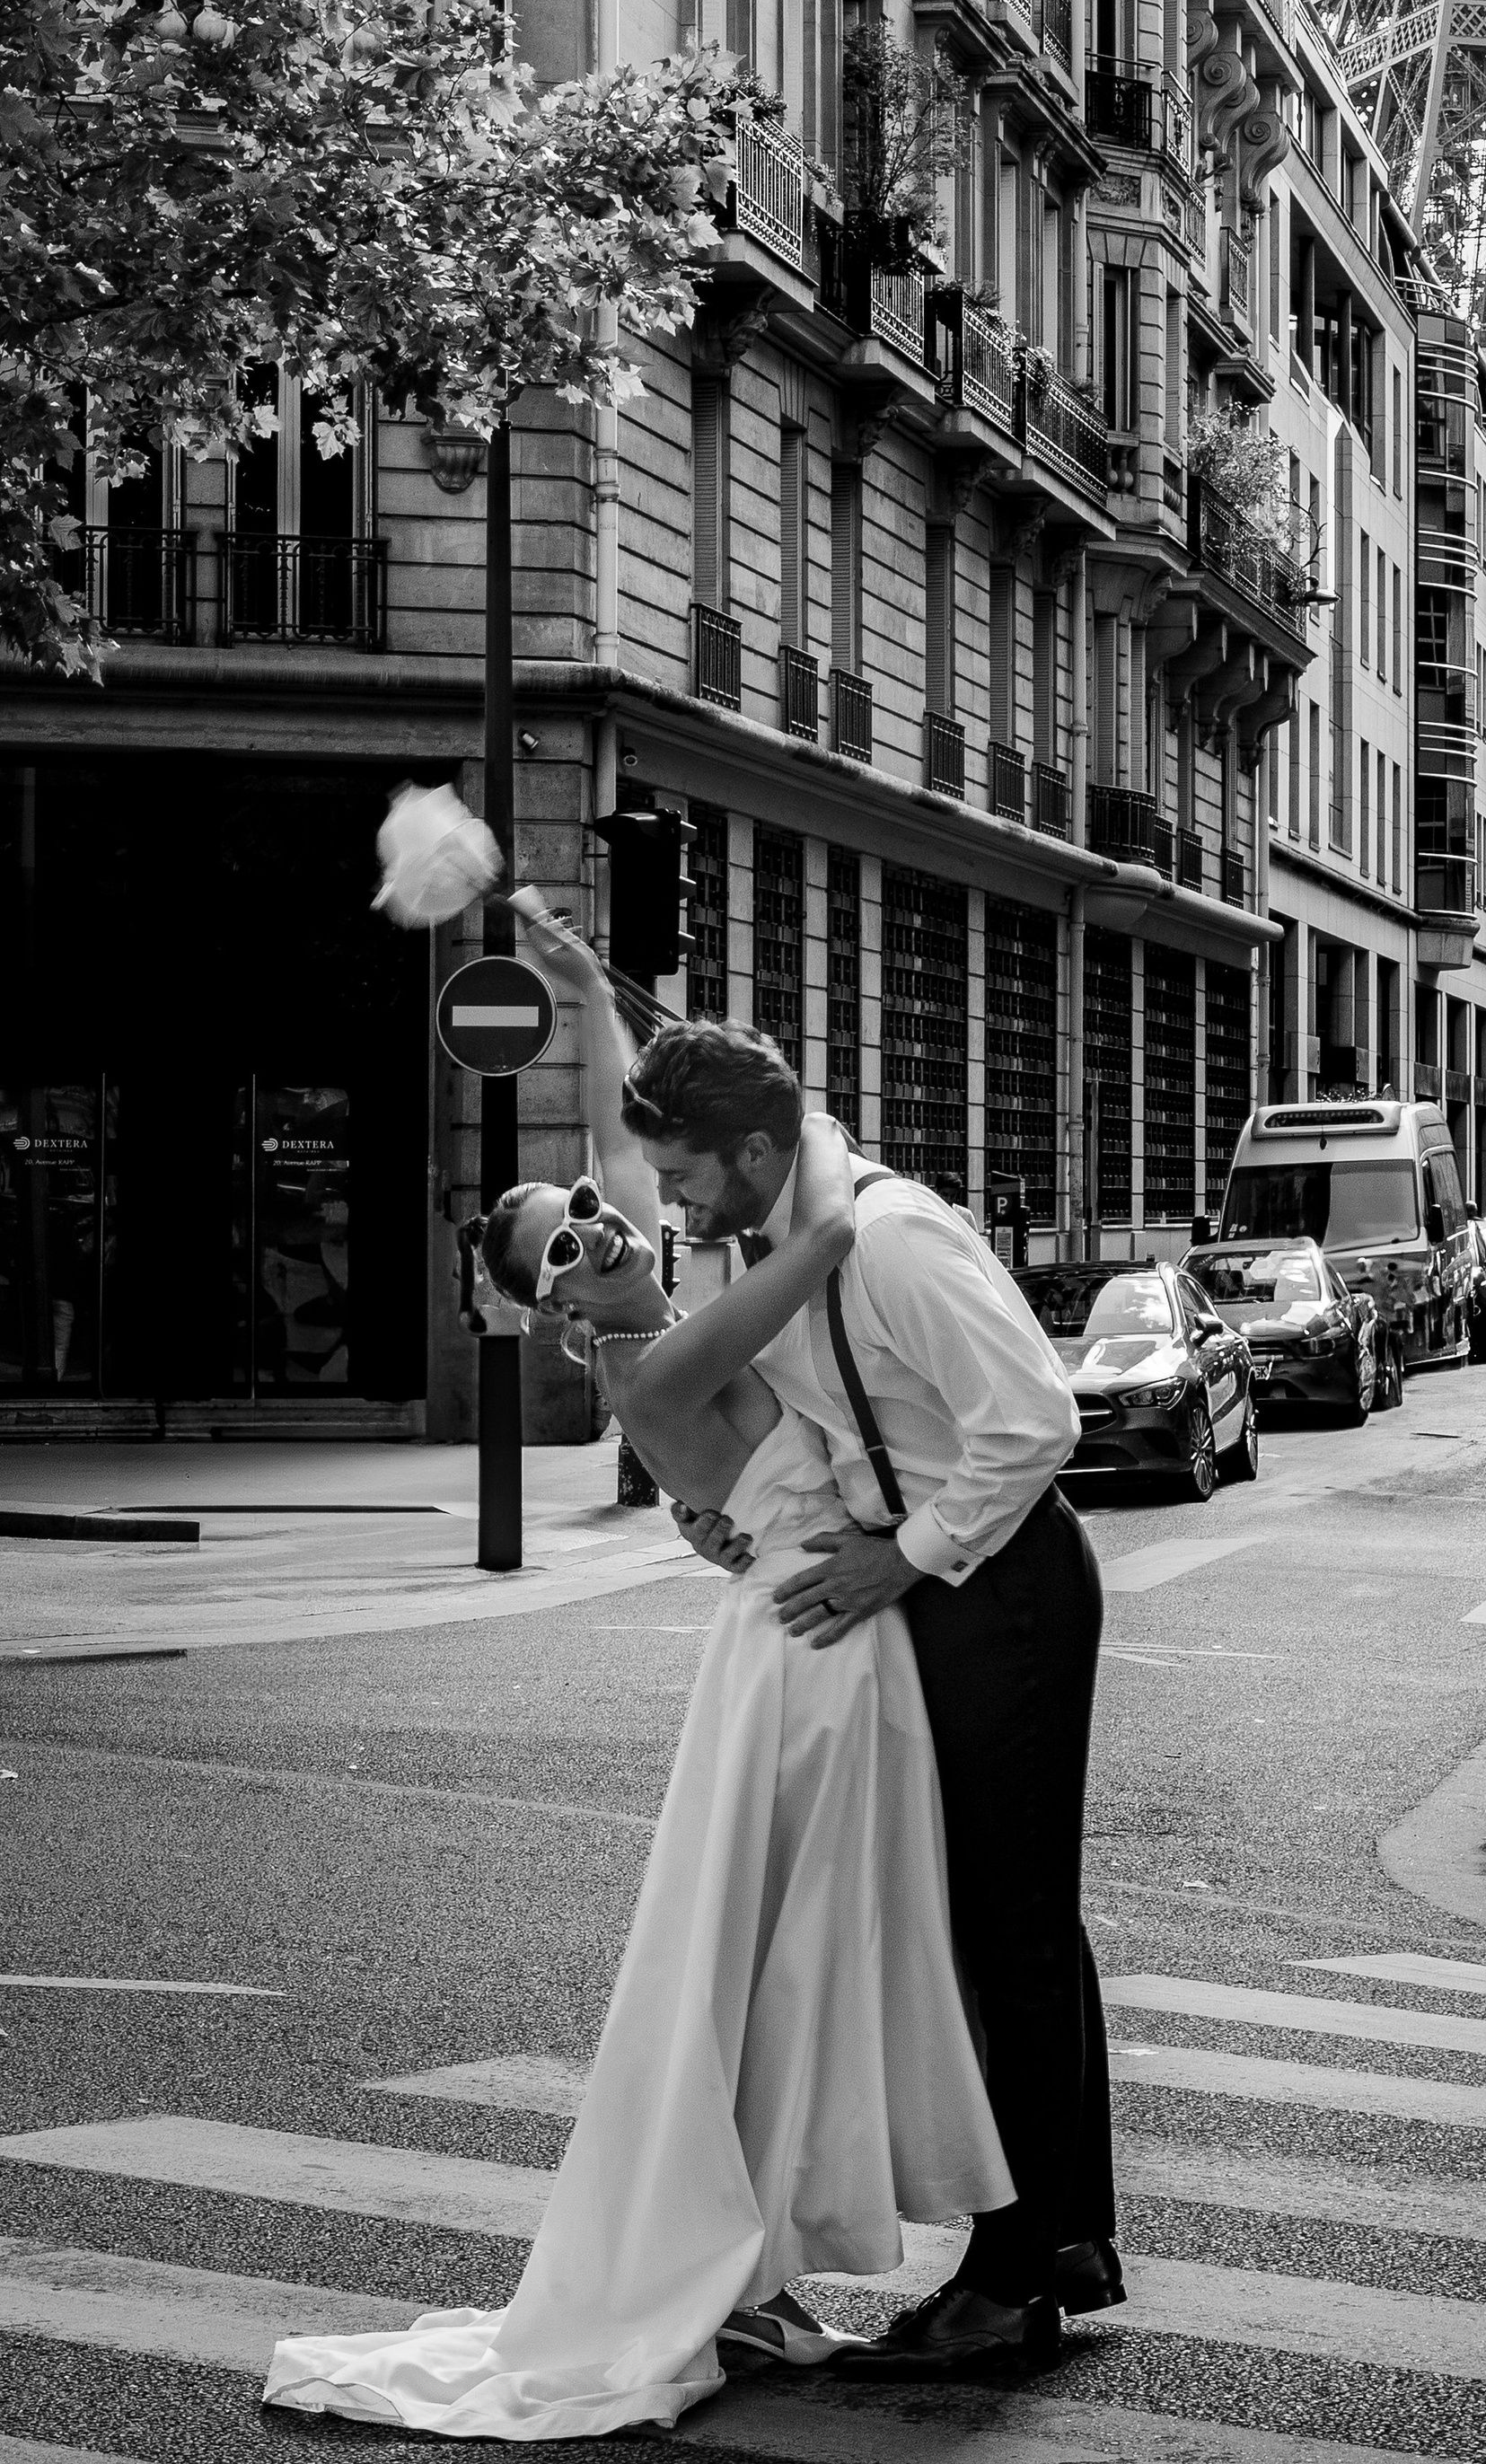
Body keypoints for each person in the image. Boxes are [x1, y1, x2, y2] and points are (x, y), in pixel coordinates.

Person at [264, 1101, 1024, 2433]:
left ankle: (751, 2264)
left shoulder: (665, 1341)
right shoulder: (654, 1357)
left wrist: (706, 1514)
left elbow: (777, 1419)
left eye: (585, 1205)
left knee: (787, 1962)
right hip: (818, 1655)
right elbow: (832, 1222)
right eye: (564, 1251)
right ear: (556, 1313)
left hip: (811, 1643)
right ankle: (741, 2265)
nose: (600, 1229)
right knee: (793, 1962)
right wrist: (772, 1116)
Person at [613, 1010, 1114, 2376]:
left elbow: (1038, 1418)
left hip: (1000, 1581)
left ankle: (1021, 2277)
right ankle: (1059, 2240)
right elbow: (833, 1434)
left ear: (761, 1150)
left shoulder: (892, 1240)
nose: (671, 1200)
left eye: (686, 1174)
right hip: (917, 1581)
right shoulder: (776, 1242)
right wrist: (736, 1523)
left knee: (1009, 1924)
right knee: (976, 1920)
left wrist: (909, 1553)